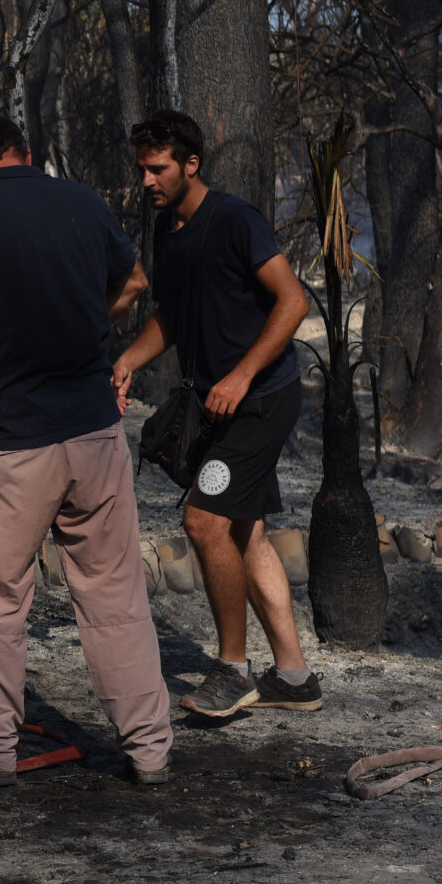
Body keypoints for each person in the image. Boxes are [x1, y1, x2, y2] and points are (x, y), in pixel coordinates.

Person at [0, 116, 175, 786]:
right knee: (115, 592)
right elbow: (137, 280)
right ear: (27, 155)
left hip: (11, 443)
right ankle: (149, 747)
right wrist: (85, 326)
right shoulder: (84, 202)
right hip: (94, 435)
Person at [111, 109, 321, 717]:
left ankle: (233, 670)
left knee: (204, 522)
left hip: (262, 401)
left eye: (158, 169)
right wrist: (129, 358)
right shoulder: (166, 232)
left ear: (190, 164)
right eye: (142, 170)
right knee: (243, 530)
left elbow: (293, 301)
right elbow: (173, 319)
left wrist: (241, 372)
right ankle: (295, 678)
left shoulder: (236, 220)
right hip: (215, 409)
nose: (147, 180)